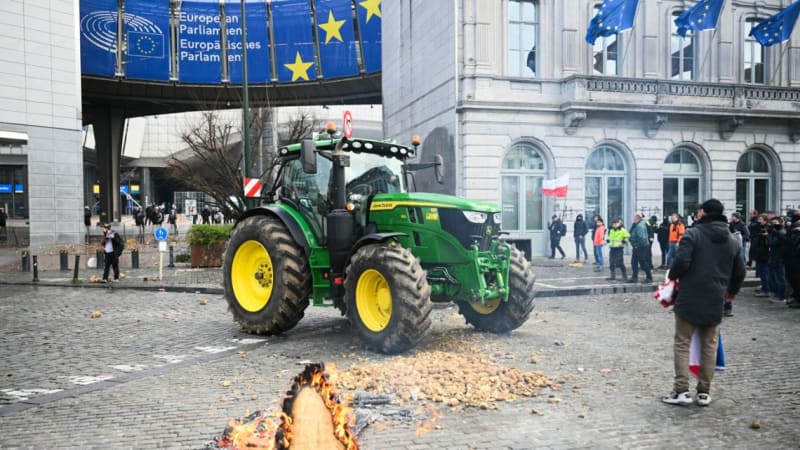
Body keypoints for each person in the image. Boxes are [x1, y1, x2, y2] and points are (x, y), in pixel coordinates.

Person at [663, 199, 745, 407]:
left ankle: (681, 390)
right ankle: (703, 392)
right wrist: (732, 292)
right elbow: (740, 271)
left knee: (682, 343)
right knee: (710, 345)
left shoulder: (693, 233)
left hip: (690, 295)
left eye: (699, 211)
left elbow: (681, 262)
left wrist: (672, 276)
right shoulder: (732, 239)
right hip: (715, 297)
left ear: (704, 213)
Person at [751, 214, 772, 298]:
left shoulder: (767, 229)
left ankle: (766, 290)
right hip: (759, 252)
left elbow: (767, 243)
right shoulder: (759, 227)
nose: (759, 220)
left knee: (764, 272)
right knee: (761, 271)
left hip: (764, 253)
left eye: (760, 219)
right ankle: (764, 288)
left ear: (765, 220)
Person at [767, 216, 788, 302]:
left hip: (779, 258)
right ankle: (777, 294)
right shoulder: (777, 232)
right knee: (776, 277)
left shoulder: (781, 232)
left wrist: (770, 235)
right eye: (772, 223)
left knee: (780, 278)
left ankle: (781, 296)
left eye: (775, 223)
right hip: (775, 257)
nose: (773, 225)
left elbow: (772, 243)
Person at [628, 214, 653, 284]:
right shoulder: (637, 225)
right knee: (634, 262)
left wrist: (636, 245)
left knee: (643, 263)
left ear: (637, 219)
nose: (633, 220)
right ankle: (634, 277)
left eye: (634, 218)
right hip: (637, 246)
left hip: (640, 247)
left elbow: (642, 238)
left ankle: (649, 277)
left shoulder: (640, 226)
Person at [786, 212, 800, 309]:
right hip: (791, 259)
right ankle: (796, 297)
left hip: (796, 260)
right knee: (793, 280)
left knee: (796, 281)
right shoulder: (792, 231)